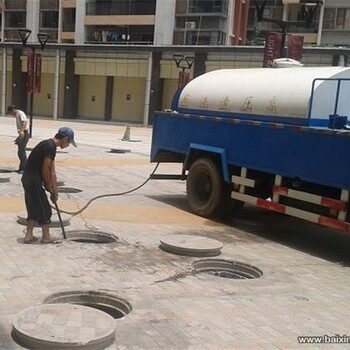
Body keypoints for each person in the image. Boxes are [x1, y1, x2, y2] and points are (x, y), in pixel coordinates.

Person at [21, 127, 77, 244]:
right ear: (65, 139)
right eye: (69, 143)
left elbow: (52, 171)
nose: (68, 145)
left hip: (27, 179)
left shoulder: (48, 145)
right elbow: (45, 169)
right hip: (34, 181)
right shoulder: (50, 147)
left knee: (33, 208)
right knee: (45, 209)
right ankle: (46, 236)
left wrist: (55, 191)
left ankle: (29, 235)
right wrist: (47, 185)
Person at [7, 105, 30, 173]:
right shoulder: (17, 115)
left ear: (13, 110)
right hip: (22, 134)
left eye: (10, 113)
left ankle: (24, 168)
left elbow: (24, 122)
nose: (11, 115)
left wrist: (22, 131)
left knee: (21, 151)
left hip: (24, 133)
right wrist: (18, 138)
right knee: (20, 151)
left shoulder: (20, 113)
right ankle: (21, 167)